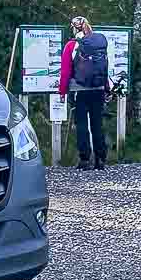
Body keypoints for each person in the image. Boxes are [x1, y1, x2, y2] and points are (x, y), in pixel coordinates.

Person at [56, 15, 111, 170]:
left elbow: (66, 71)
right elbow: (104, 67)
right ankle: (101, 159)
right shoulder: (98, 44)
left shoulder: (71, 45)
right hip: (98, 89)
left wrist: (62, 91)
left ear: (74, 28)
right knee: (98, 124)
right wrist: (106, 88)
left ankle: (85, 159)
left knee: (81, 124)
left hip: (79, 91)